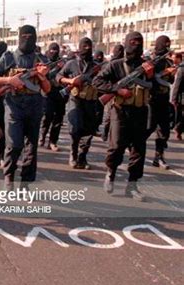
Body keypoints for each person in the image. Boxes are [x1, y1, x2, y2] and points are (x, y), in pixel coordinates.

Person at [0, 25, 51, 190]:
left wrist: (42, 77)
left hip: (35, 107)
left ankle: (25, 183)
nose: (28, 39)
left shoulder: (41, 60)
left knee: (31, 148)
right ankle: (9, 176)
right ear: (19, 38)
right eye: (25, 36)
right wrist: (8, 81)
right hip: (14, 106)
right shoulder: (9, 57)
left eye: (31, 36)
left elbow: (47, 89)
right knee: (14, 144)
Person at [93, 32, 155, 199]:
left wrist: (150, 76)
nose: (135, 45)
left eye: (139, 42)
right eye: (132, 42)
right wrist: (118, 90)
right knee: (116, 146)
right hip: (120, 111)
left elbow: (155, 87)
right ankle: (111, 173)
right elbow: (97, 82)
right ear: (126, 43)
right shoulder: (116, 65)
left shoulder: (147, 65)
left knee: (138, 151)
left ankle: (132, 185)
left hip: (140, 111)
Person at [57, 37, 101, 170]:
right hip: (75, 99)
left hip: (91, 101)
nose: (87, 49)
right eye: (84, 46)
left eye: (89, 47)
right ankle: (73, 154)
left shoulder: (96, 66)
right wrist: (70, 82)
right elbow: (58, 76)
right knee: (75, 129)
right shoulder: (71, 64)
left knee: (88, 131)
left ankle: (83, 157)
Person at [147, 35, 174, 169]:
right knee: (148, 128)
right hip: (151, 100)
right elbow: (149, 79)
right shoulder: (150, 61)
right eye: (165, 45)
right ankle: (135, 150)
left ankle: (159, 157)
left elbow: (171, 81)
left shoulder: (169, 62)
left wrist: (171, 73)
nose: (167, 48)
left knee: (164, 130)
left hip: (164, 100)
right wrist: (164, 73)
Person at [39, 42, 67, 151]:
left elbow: (67, 75)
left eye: (56, 50)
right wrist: (56, 69)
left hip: (60, 93)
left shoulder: (63, 63)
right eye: (52, 50)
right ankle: (42, 136)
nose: (54, 52)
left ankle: (53, 141)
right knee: (47, 116)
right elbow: (46, 76)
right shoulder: (45, 62)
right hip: (47, 93)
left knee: (58, 119)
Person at [170, 52, 183, 140]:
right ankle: (178, 128)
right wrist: (173, 98)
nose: (173, 60)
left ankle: (178, 128)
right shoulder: (181, 68)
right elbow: (176, 84)